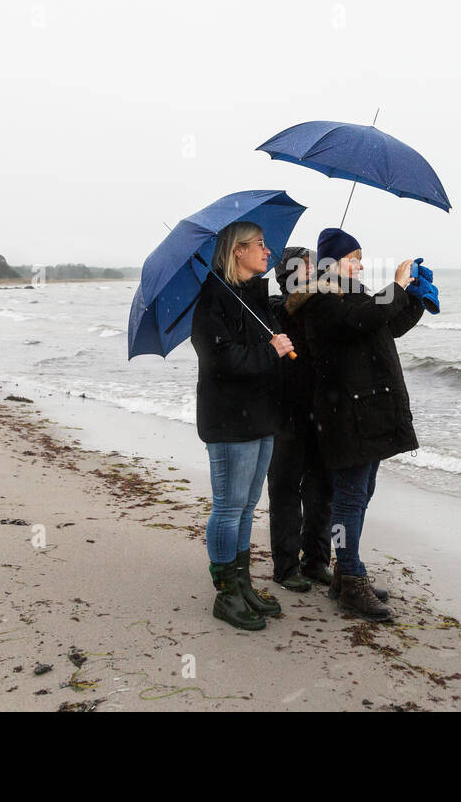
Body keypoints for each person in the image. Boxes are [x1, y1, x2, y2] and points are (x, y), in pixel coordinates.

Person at [294, 227, 424, 621]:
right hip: (346, 415)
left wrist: (414, 298)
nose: (361, 263)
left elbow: (388, 324)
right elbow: (364, 318)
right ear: (335, 263)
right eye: (354, 257)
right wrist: (397, 285)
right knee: (349, 497)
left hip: (370, 411)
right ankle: (350, 577)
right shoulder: (321, 301)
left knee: (361, 492)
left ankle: (343, 575)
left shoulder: (353, 297)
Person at [189, 221, 295, 630]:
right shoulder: (212, 300)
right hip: (229, 420)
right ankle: (225, 593)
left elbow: (266, 346)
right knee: (229, 507)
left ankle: (243, 582)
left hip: (262, 415)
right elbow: (223, 362)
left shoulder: (254, 297)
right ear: (237, 250)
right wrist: (271, 350)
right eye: (261, 246)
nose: (268, 253)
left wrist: (277, 341)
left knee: (248, 505)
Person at [266, 247, 333, 592]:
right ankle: (286, 566)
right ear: (287, 276)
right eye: (305, 268)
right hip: (283, 416)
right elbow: (292, 304)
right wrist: (320, 285)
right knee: (285, 491)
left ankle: (318, 561)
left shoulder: (321, 305)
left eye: (313, 266)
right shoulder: (274, 308)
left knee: (322, 490)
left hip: (320, 414)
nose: (313, 272)